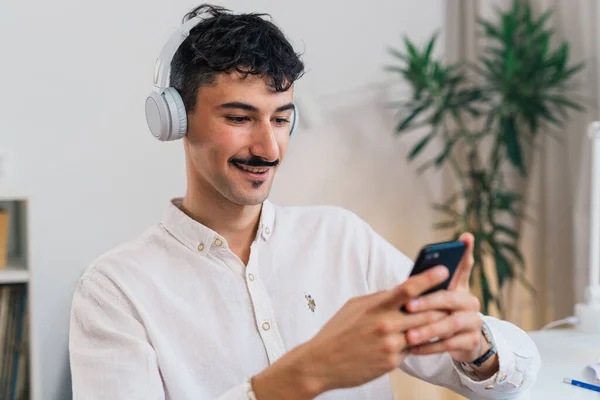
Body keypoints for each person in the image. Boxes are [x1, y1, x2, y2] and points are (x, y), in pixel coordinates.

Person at [69, 4, 540, 399]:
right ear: (174, 119)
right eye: (239, 117)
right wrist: (303, 374)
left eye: (280, 120)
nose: (269, 149)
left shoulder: (341, 238)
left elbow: (514, 378)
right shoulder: (115, 290)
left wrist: (478, 349)